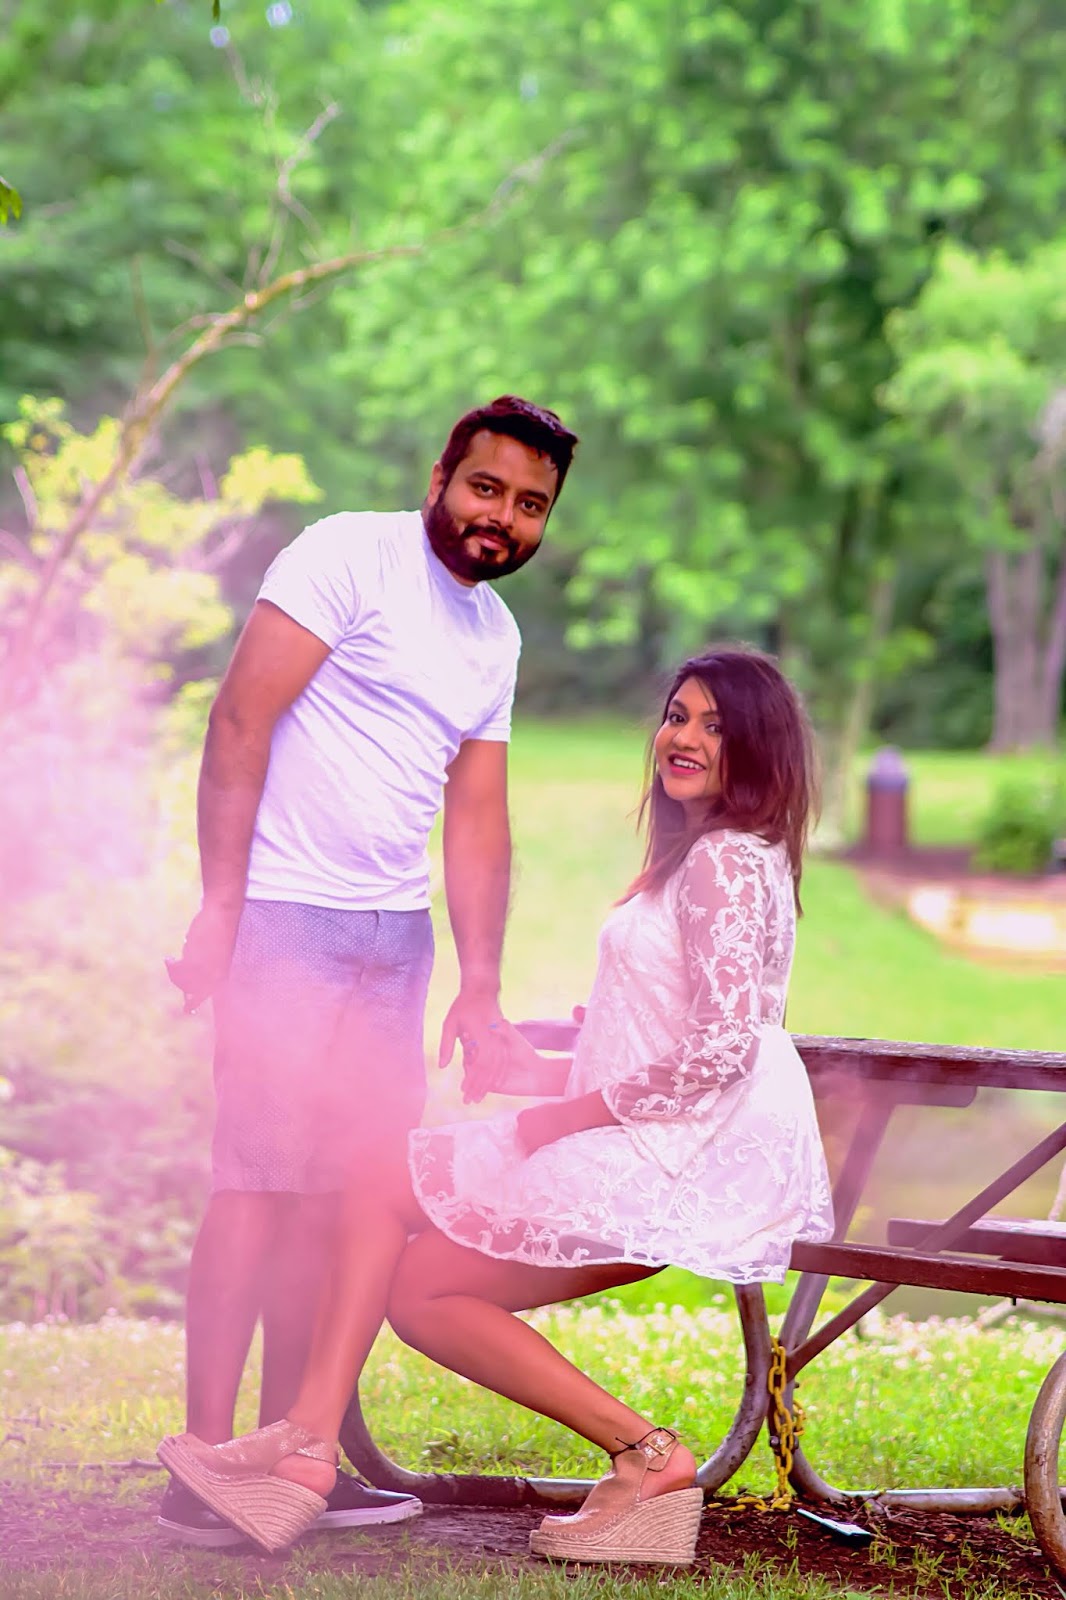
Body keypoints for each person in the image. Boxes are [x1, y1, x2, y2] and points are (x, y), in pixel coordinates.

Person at [159, 646, 834, 1566]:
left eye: (716, 726)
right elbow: (671, 1041)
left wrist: (556, 1120)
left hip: (669, 1163)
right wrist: (542, 1069)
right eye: (678, 715)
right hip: (656, 1142)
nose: (684, 737)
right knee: (422, 1291)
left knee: (376, 1177)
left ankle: (307, 1447)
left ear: (758, 749)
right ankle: (648, 1455)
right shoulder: (716, 859)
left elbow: (723, 1051)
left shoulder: (725, 861)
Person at [157, 395, 579, 1546]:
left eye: (529, 504)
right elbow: (238, 724)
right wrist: (222, 907)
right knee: (257, 1181)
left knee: (344, 1198)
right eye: (486, 487)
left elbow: (477, 818)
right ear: (441, 476)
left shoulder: (494, 636)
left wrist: (480, 986)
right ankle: (198, 1464)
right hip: (286, 918)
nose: (502, 517)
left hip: (394, 942)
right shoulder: (346, 555)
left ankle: (292, 1449)